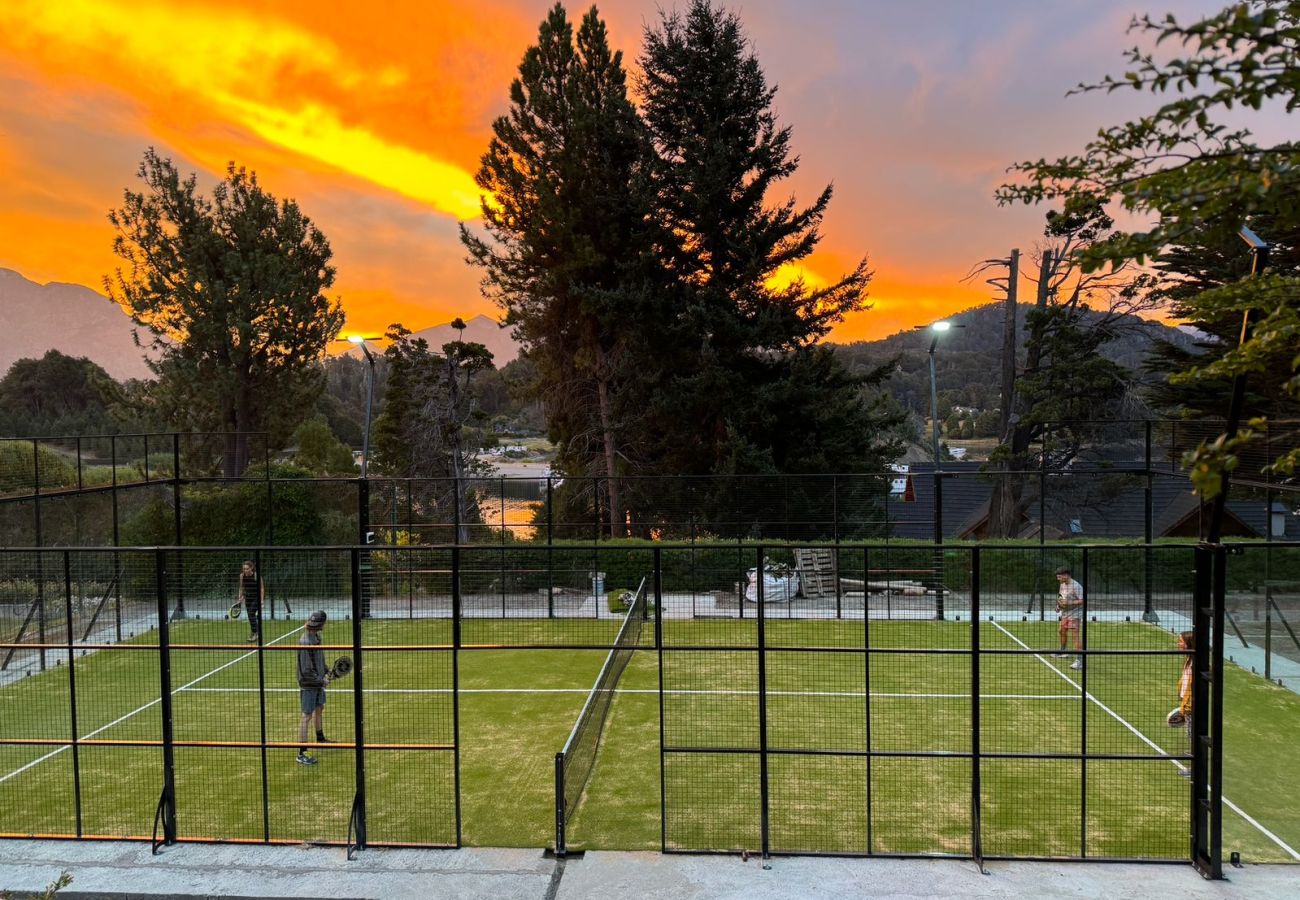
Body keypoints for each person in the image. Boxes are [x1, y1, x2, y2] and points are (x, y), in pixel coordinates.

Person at [296, 609, 333, 765]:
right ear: (321, 624)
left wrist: (326, 670)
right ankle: (301, 753)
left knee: (319, 709)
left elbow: (319, 658)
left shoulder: (317, 637)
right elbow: (306, 670)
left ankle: (320, 739)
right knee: (306, 716)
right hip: (308, 684)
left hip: (317, 681)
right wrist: (321, 681)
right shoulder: (305, 642)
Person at [1053, 566, 1084, 670]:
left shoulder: (1076, 586)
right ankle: (1063, 651)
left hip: (1075, 614)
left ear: (1066, 575)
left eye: (1060, 577)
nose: (1058, 579)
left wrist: (1070, 602)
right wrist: (1059, 606)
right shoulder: (1062, 584)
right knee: (1061, 631)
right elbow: (1061, 597)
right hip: (1065, 613)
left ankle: (1080, 661)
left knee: (1075, 636)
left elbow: (1082, 601)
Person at [1173, 631, 1194, 778]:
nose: (1178, 644)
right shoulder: (1189, 659)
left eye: (1181, 641)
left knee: (1193, 736)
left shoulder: (1196, 663)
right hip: (1187, 705)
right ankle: (1192, 755)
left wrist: (1186, 707)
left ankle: (1194, 768)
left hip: (1192, 707)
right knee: (1190, 734)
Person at [236, 560, 264, 643]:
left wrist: (262, 601)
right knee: (250, 616)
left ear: (251, 568)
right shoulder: (242, 576)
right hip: (248, 598)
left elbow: (262, 588)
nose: (245, 570)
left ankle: (255, 633)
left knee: (251, 613)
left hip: (256, 598)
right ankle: (255, 632)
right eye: (244, 569)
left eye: (247, 568)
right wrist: (240, 597)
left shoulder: (256, 576)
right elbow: (241, 587)